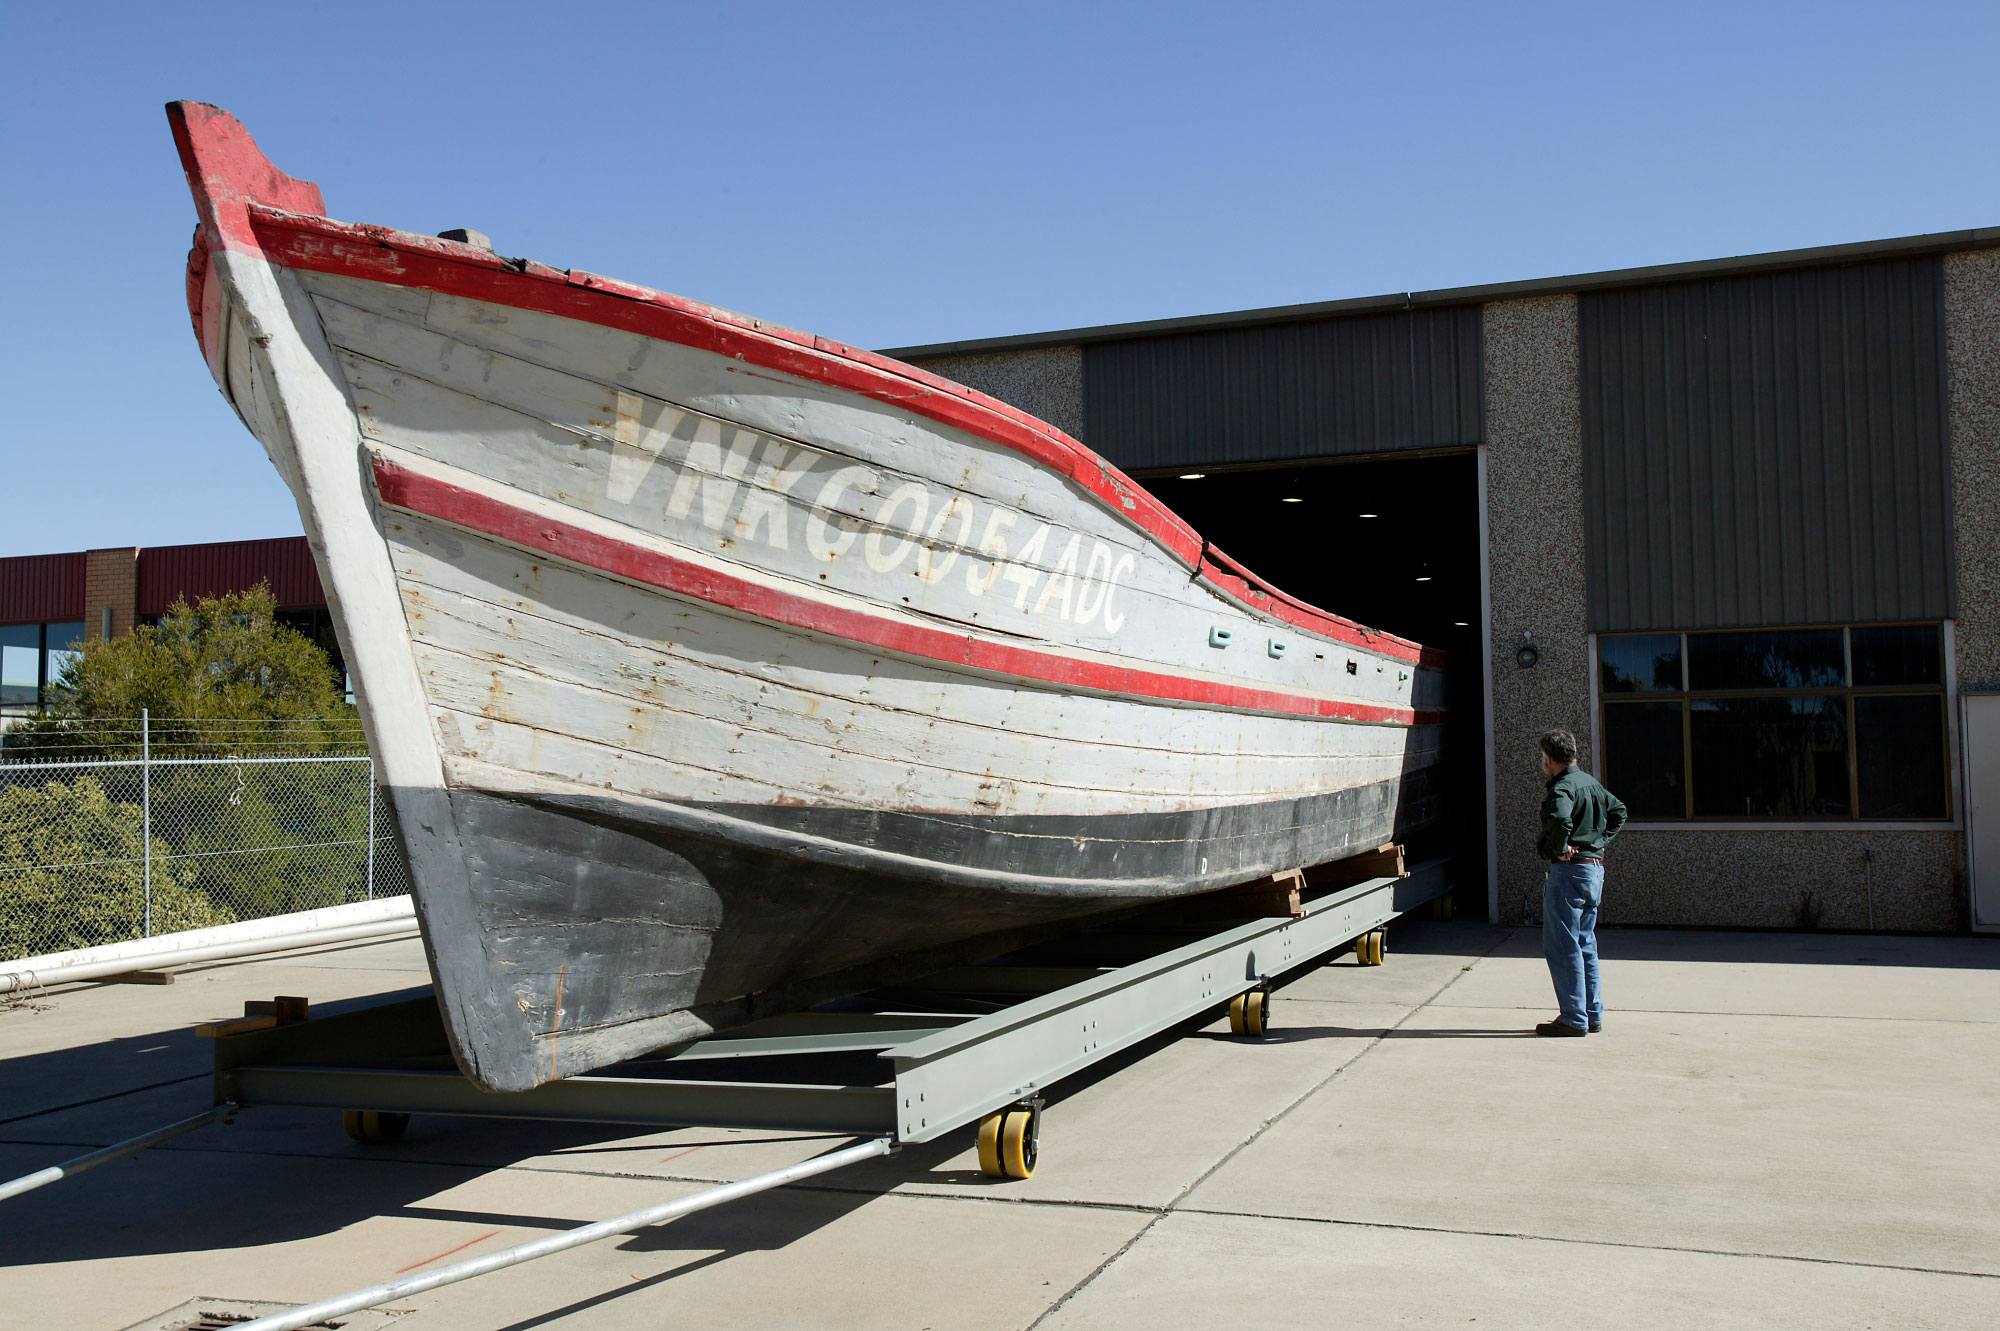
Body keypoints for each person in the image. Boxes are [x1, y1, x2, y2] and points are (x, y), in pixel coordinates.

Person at [1534, 729, 1626, 1037]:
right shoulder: (1590, 783)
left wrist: (1561, 849)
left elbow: (1560, 819)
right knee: (1585, 943)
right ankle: (1591, 1013)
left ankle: (1574, 1017)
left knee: (1563, 946)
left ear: (1549, 758)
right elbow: (1619, 811)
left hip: (1570, 873)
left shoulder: (1562, 788)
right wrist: (1598, 842)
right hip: (1593, 871)